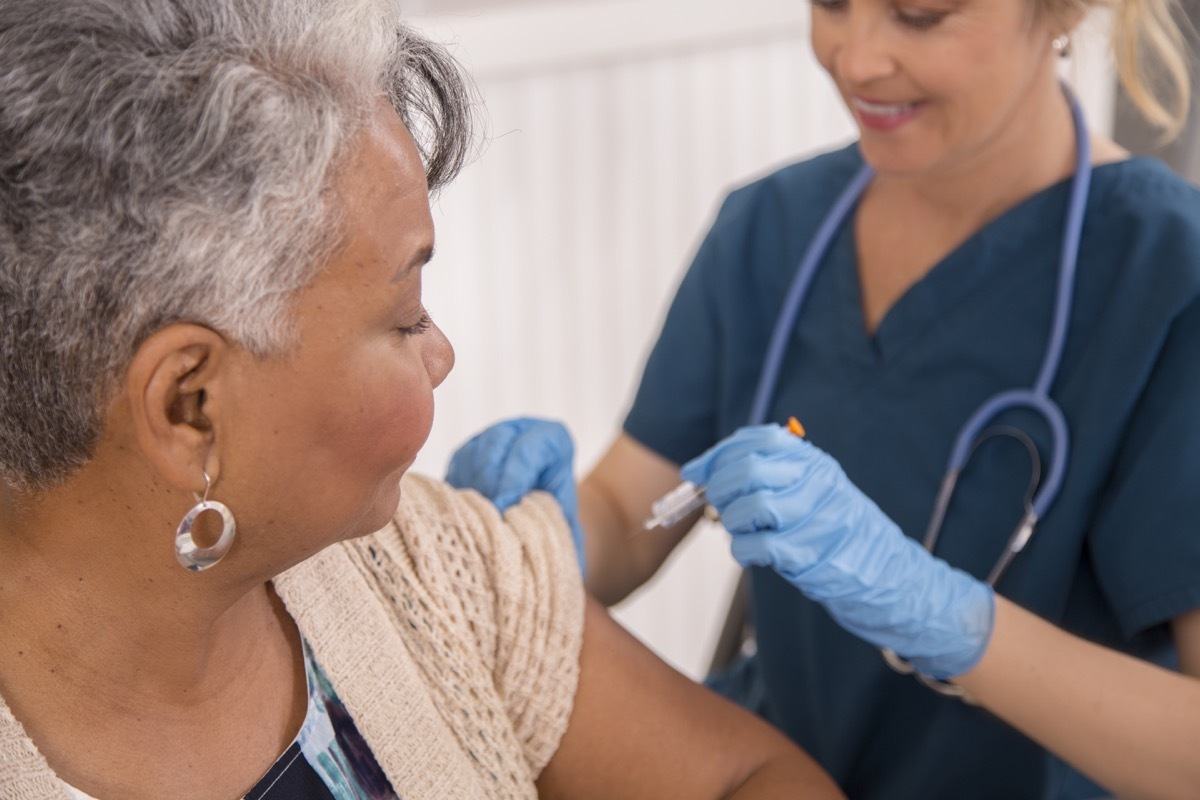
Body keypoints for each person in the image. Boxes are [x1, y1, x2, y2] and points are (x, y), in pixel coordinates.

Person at [0, 2, 847, 798]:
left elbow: (754, 778)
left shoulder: (430, 565)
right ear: (191, 408)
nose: (441, 352)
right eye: (405, 317)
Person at [444, 0, 1200, 795]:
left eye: (919, 14)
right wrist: (538, 537)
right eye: (832, 4)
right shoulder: (771, 229)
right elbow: (633, 512)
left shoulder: (1165, 280)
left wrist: (947, 619)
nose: (856, 58)